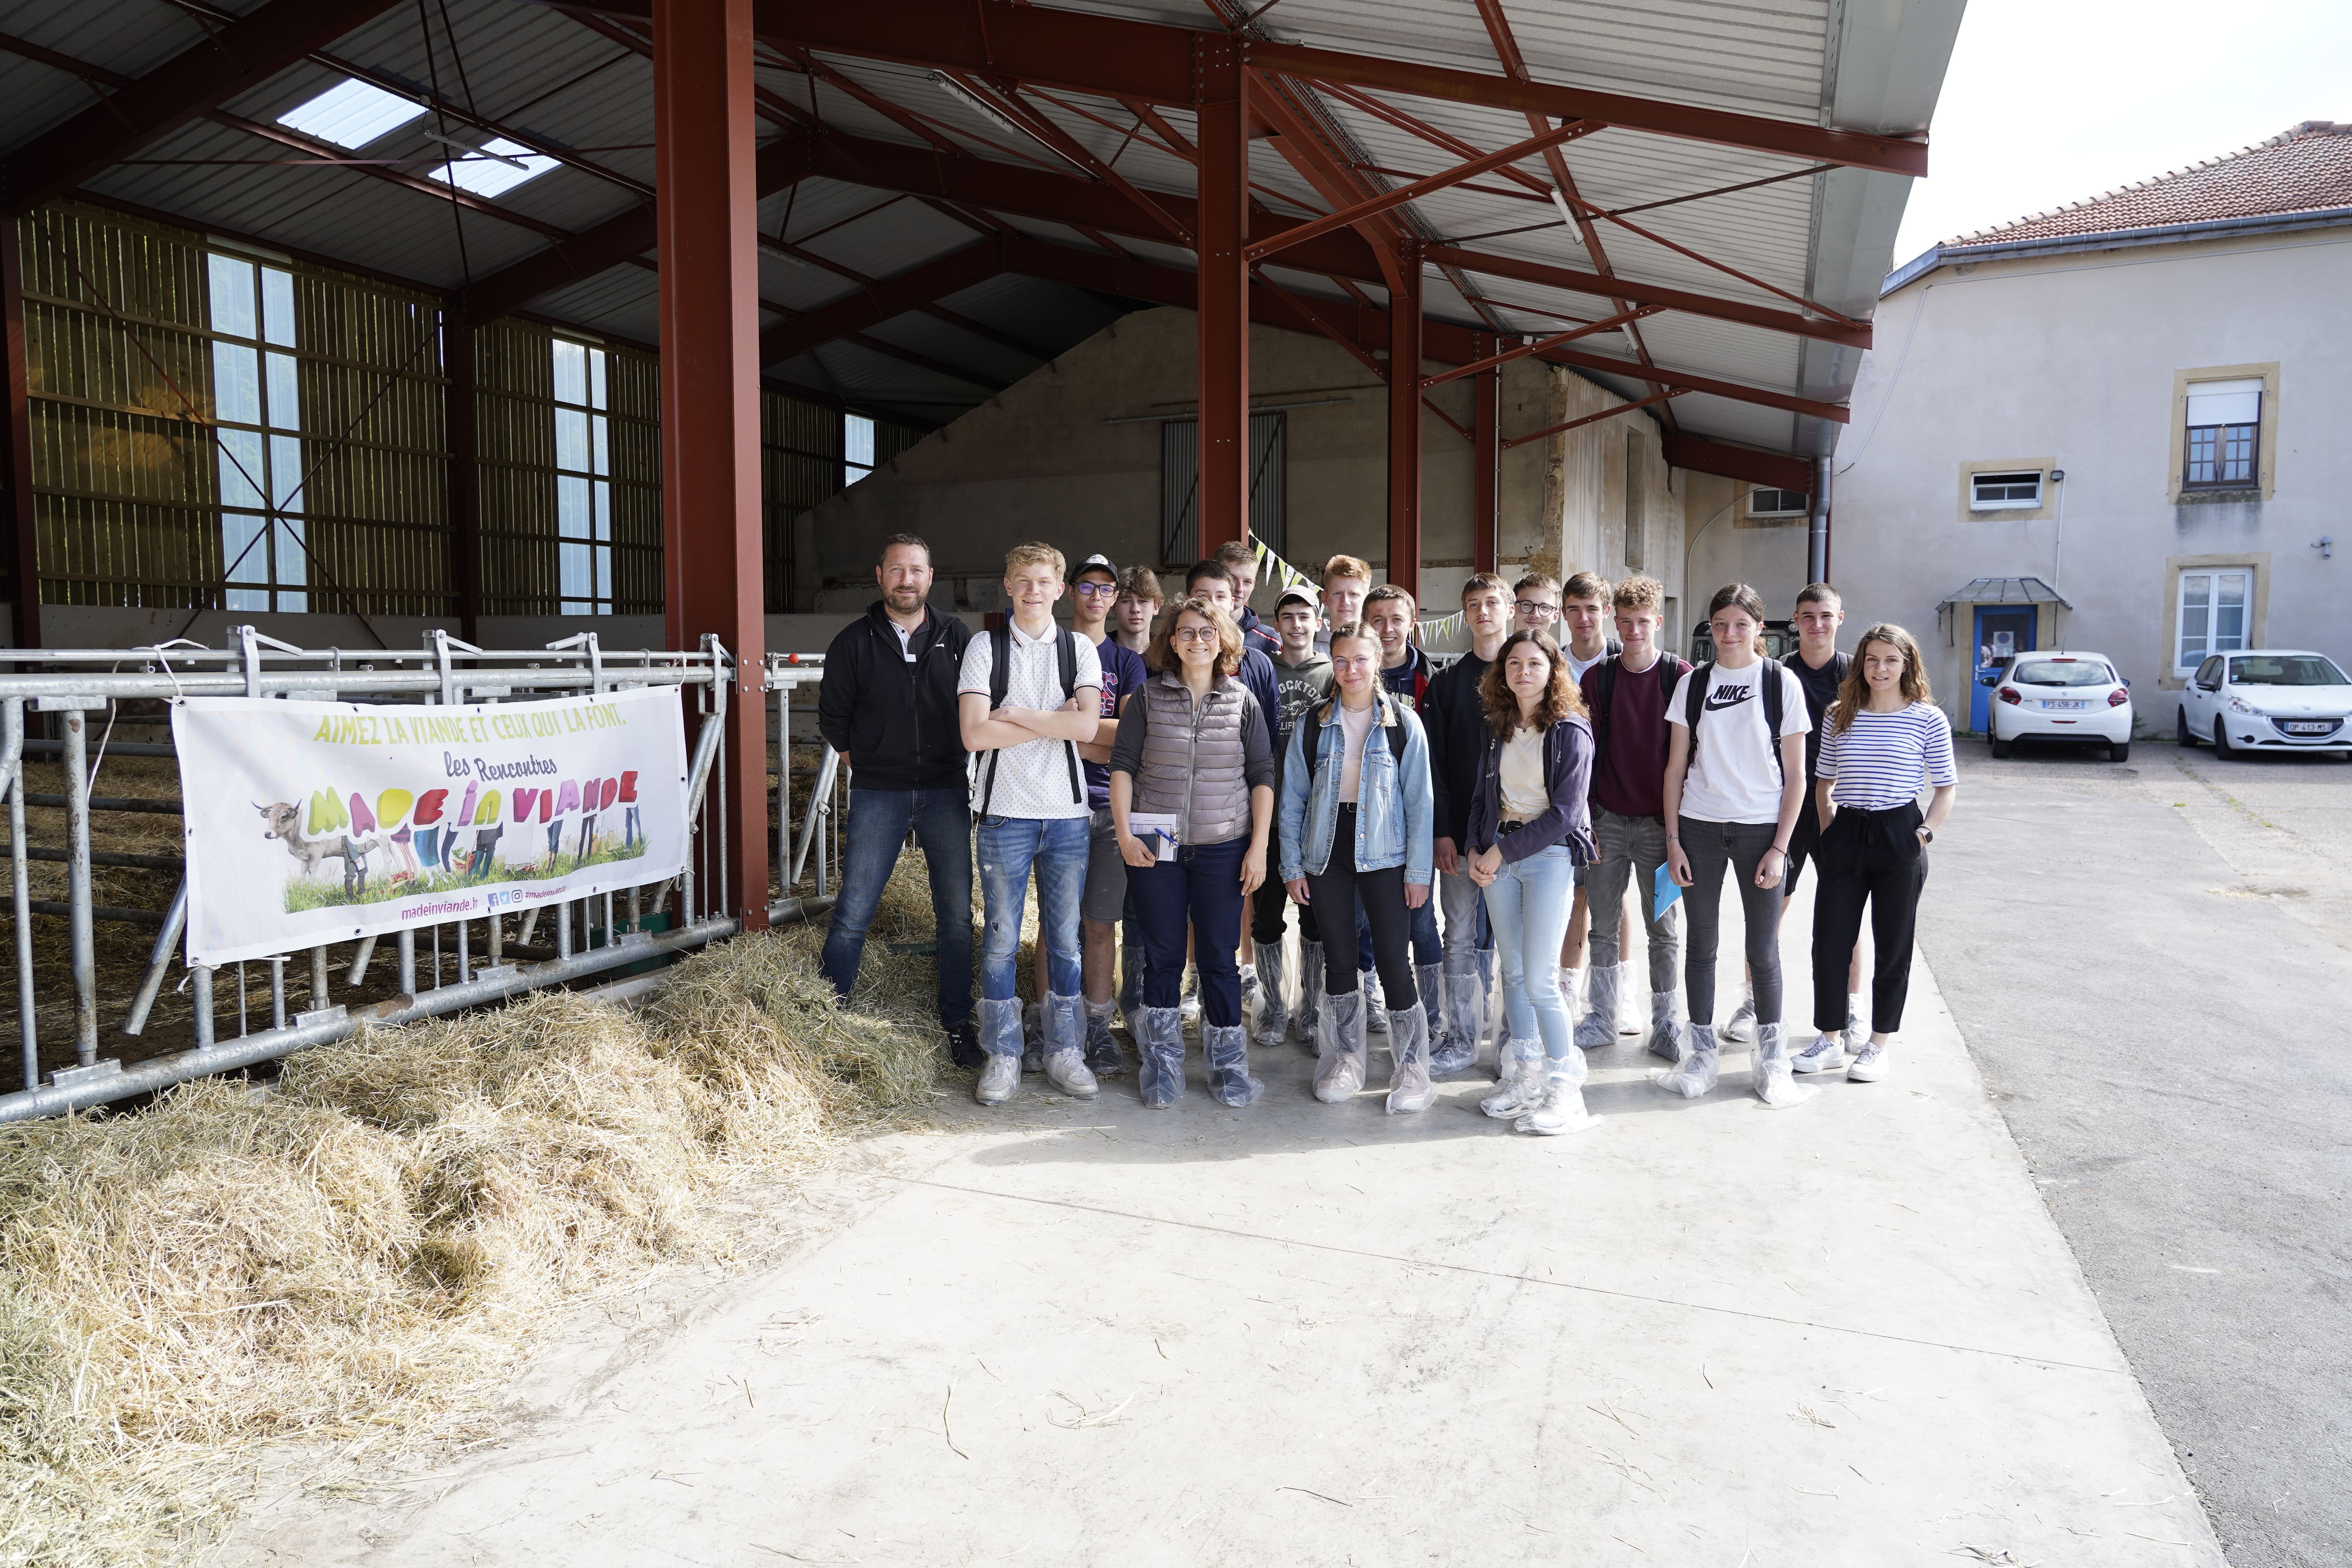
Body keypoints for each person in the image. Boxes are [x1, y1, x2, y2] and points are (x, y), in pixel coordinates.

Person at [818, 534, 979, 1065]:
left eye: (916, 570)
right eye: (896, 570)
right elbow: (833, 721)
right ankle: (825, 1021)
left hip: (947, 790)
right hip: (878, 794)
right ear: (880, 575)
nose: (906, 579)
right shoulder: (853, 642)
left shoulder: (959, 639)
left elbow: (982, 707)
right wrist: (872, 764)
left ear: (930, 578)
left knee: (956, 915)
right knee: (853, 912)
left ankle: (958, 1023)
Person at [1110, 597, 1276, 1108]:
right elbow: (1123, 766)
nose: (1197, 640)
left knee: (1218, 958)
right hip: (1156, 833)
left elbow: (1263, 775)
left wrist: (1259, 848)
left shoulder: (1242, 701)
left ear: (1223, 640)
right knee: (1161, 957)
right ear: (1172, 640)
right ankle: (1161, 1069)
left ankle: (1229, 1070)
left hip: (1223, 841)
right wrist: (1124, 833)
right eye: (1186, 632)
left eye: (1207, 632)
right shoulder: (1146, 698)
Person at [1654, 584, 1811, 1108]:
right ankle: (1699, 1057)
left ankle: (1771, 1063)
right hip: (1699, 827)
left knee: (1763, 949)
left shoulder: (1779, 682)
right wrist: (1674, 840)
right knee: (1701, 945)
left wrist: (1780, 848)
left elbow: (1797, 777)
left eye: (1740, 624)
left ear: (1758, 629)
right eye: (1720, 624)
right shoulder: (1694, 685)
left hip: (1760, 830)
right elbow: (1676, 768)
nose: (1729, 634)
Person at [958, 543, 1103, 1105]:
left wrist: (1015, 716)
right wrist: (1054, 723)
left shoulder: (1079, 649)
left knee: (1064, 942)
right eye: (1024, 581)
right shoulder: (985, 647)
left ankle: (1066, 1052)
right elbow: (973, 735)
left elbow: (1088, 727)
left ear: (1059, 590)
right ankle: (1004, 1054)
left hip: (1066, 817)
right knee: (999, 941)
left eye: (1045, 582)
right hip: (1004, 816)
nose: (1034, 591)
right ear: (1009, 585)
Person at [1278, 622, 1436, 1111]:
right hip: (1327, 851)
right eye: (1341, 660)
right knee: (1340, 959)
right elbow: (1293, 800)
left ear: (1378, 663)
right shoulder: (1312, 724)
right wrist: (1292, 865)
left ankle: (1412, 1066)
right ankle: (1344, 1057)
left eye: (1360, 660)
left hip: (1386, 854)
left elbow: (1420, 803)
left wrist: (1418, 873)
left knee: (1392, 959)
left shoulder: (1404, 724)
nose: (1350, 670)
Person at [1801, 624, 1957, 1082]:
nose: (1881, 668)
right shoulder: (1839, 714)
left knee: (1894, 945)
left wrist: (1923, 834)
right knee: (1830, 942)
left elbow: (1946, 788)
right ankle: (1828, 1040)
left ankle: (1878, 1044)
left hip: (1900, 832)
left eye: (1891, 660)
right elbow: (1824, 780)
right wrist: (1830, 831)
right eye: (1872, 659)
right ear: (1860, 664)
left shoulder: (1927, 719)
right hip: (1847, 831)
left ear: (1907, 664)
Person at [1465, 630, 1599, 1135]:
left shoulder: (1570, 729)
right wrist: (1478, 848)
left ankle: (1566, 1090)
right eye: (1514, 663)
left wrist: (1501, 850)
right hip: (1500, 852)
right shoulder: (1499, 725)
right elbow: (1484, 793)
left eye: (1534, 663)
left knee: (1541, 977)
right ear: (1503, 673)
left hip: (1547, 858)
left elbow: (1566, 813)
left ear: (1552, 670)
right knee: (1513, 972)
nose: (1523, 671)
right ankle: (1525, 1074)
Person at [1024, 552, 1146, 1080]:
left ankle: (1096, 1028)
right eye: (1087, 586)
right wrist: (1090, 731)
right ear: (1070, 592)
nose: (1097, 597)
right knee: (1056, 928)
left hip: (1109, 806)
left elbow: (1133, 736)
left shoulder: (1127, 663)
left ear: (1115, 599)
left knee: (1101, 926)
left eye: (1106, 589)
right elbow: (1029, 730)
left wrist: (1068, 729)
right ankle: (1052, 1026)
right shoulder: (1048, 653)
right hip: (1052, 804)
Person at [1579, 575, 1691, 1061]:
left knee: (1662, 928)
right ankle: (1603, 1017)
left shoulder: (1679, 676)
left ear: (1658, 622)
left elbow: (1691, 757)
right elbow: (1582, 757)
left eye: (1642, 622)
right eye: (1624, 622)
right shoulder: (1597, 678)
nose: (1633, 631)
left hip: (1657, 826)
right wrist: (1586, 819)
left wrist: (1676, 834)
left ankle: (1665, 1023)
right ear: (1613, 620)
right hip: (1606, 819)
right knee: (1601, 924)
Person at [1181, 558, 1281, 1019]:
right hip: (1180, 808)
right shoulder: (1169, 662)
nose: (1212, 605)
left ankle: (1239, 972)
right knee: (1183, 900)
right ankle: (1192, 974)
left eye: (1221, 596)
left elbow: (1266, 747)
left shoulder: (1256, 664)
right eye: (1202, 596)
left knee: (1236, 896)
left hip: (1236, 807)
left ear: (1235, 601)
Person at [1423, 572, 1511, 1073]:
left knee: (1511, 938)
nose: (1483, 612)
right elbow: (1434, 763)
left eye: (1492, 602)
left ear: (1509, 609)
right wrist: (1442, 831)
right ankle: (1460, 1034)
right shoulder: (1449, 683)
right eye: (1473, 604)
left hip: (1516, 837)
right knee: (1458, 933)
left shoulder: (1528, 670)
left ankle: (1509, 1039)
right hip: (1459, 835)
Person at [1363, 583, 1454, 1065]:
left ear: (1412, 622)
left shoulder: (1433, 680)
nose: (1388, 629)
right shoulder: (1353, 675)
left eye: (1396, 619)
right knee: (1365, 920)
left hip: (1417, 823)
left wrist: (1440, 831)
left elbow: (1439, 761)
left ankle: (1432, 1015)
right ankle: (1370, 1002)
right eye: (1377, 620)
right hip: (1366, 826)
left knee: (1421, 918)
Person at [1775, 582, 1863, 1059]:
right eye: (1808, 616)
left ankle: (1849, 1010)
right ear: (1796, 619)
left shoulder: (1856, 674)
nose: (1817, 625)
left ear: (1840, 618)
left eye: (1825, 616)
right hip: (1785, 807)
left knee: (1844, 918)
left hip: (1840, 808)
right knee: (1771, 908)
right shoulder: (1779, 672)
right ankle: (1753, 1003)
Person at [1252, 586, 1332, 1051]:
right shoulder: (1263, 669)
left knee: (1316, 918)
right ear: (1276, 624)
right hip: (1270, 814)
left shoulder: (1331, 672)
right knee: (1265, 918)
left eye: (1305, 617)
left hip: (1315, 817)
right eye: (1288, 617)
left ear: (1318, 622)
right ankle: (1274, 1007)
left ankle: (1312, 1006)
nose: (1297, 625)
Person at [1109, 564, 1163, 1028]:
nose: (1133, 608)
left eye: (1142, 600)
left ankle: (1143, 999)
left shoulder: (1169, 657)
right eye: (1125, 599)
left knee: (1149, 903)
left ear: (1155, 607)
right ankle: (1108, 1000)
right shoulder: (1096, 654)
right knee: (1106, 905)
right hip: (1103, 793)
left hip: (1157, 797)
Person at [1212, 538, 1283, 657]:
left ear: (1254, 584)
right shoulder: (1191, 636)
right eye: (1233, 579)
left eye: (1247, 582)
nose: (1240, 589)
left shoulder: (1271, 642)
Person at [1316, 554, 1372, 651]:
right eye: (1338, 593)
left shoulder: (1376, 648)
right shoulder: (1309, 652)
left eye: (1353, 594)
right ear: (1325, 598)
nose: (1345, 602)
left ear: (1366, 600)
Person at [1511, 571, 1561, 637]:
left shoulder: (1558, 648)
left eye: (1545, 607)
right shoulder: (1499, 647)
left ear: (1555, 617)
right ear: (1512, 610)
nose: (1535, 614)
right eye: (1527, 605)